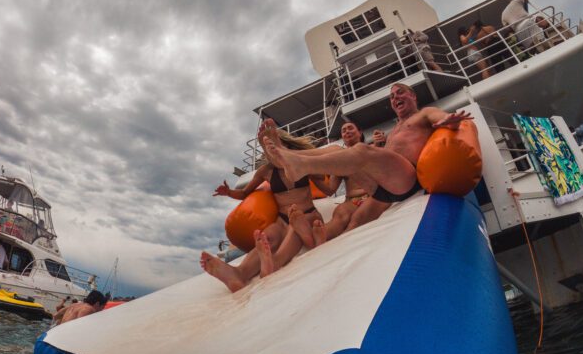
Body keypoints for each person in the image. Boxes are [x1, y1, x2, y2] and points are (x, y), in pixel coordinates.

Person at [260, 83, 473, 230]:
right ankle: (289, 154)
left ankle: (298, 164)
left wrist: (449, 121)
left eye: (400, 93)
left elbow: (440, 117)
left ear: (413, 96)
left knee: (362, 151)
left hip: (407, 180)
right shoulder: (396, 128)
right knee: (338, 153)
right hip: (383, 188)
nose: (395, 97)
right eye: (392, 97)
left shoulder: (424, 113)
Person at [200, 130, 329, 292]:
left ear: (282, 145)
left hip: (307, 215)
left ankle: (273, 263)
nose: (268, 152)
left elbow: (320, 175)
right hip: (282, 219)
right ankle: (239, 273)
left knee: (294, 232)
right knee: (267, 237)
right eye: (265, 149)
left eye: (271, 146)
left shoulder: (300, 161)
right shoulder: (266, 171)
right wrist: (229, 192)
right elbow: (245, 193)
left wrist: (292, 158)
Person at [256, 121, 384, 276]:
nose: (347, 132)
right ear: (342, 137)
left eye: (350, 128)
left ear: (360, 132)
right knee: (340, 216)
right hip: (351, 200)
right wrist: (310, 173)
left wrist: (381, 145)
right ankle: (314, 237)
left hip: (372, 195)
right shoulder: (340, 159)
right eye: (343, 131)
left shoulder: (371, 148)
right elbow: (330, 190)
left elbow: (385, 167)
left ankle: (337, 241)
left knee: (357, 218)